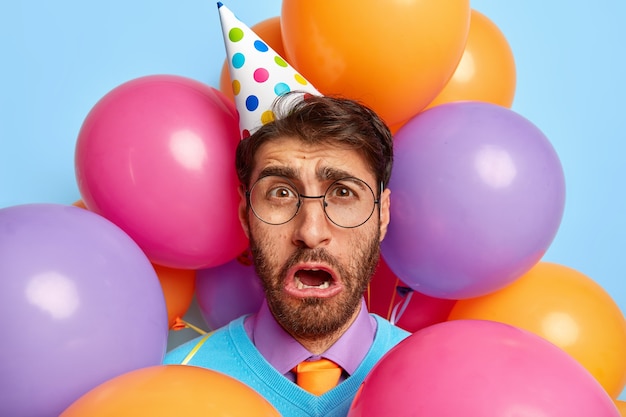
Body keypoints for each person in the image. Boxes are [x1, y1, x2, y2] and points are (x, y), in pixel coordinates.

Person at [164, 93, 410, 416]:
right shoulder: (173, 385)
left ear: (382, 215)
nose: (310, 232)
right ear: (245, 214)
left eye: (342, 192)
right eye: (281, 193)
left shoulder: (440, 377)